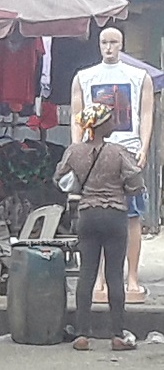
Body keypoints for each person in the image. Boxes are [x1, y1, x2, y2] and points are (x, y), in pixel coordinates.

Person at [70, 27, 153, 304]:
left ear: (122, 44)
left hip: (128, 151)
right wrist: (77, 148)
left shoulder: (139, 76)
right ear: (98, 44)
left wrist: (144, 146)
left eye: (114, 42)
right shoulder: (84, 77)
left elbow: (146, 112)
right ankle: (99, 279)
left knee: (131, 217)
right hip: (94, 152)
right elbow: (76, 115)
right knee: (97, 214)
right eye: (104, 42)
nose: (108, 47)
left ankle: (132, 278)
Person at [54, 103, 143, 351]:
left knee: (87, 274)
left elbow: (60, 179)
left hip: (88, 215)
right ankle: (116, 335)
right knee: (115, 275)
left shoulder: (75, 152)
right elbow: (135, 180)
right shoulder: (118, 152)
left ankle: (82, 335)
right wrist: (125, 190)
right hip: (115, 216)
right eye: (110, 119)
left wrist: (79, 187)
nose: (114, 122)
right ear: (100, 125)